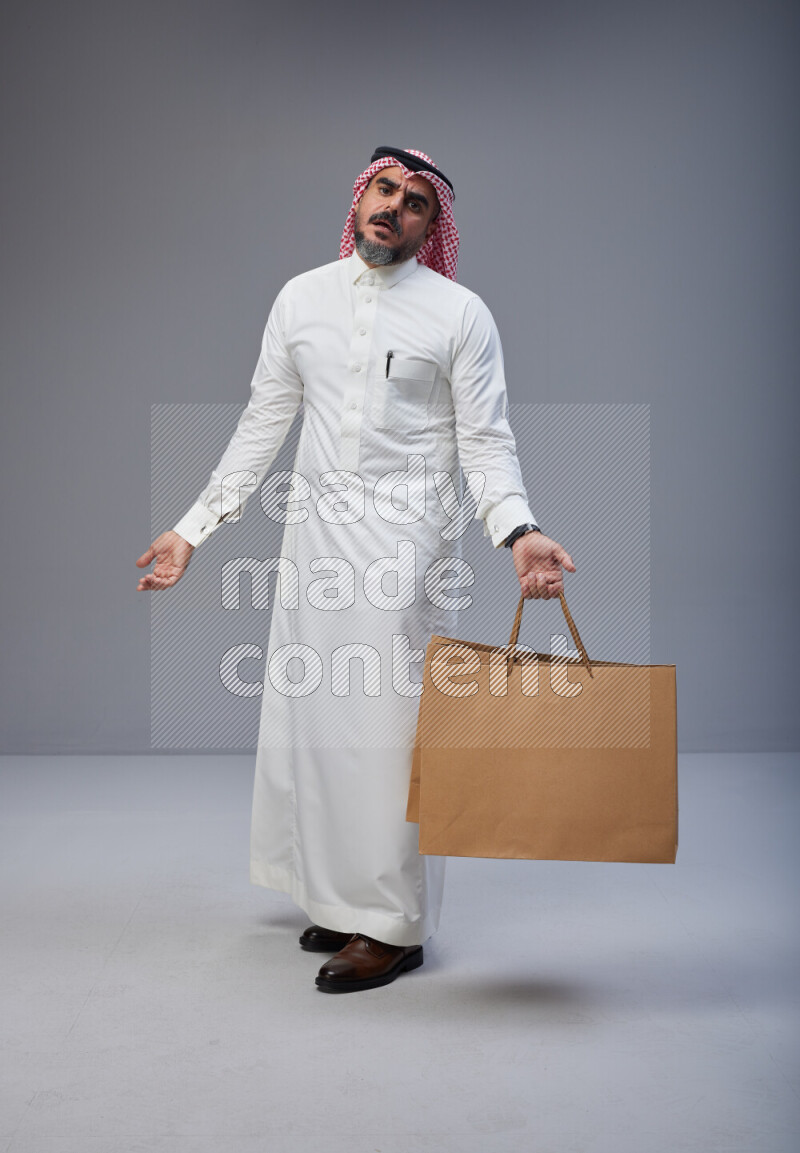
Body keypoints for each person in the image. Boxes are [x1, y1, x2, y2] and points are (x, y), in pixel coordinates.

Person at [136, 147, 575, 994]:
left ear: (431, 223)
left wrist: (517, 528)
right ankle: (342, 900)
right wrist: (193, 529)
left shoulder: (459, 313)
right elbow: (264, 423)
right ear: (361, 196)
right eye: (384, 190)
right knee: (315, 722)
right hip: (312, 539)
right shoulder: (302, 298)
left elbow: (485, 441)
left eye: (415, 202)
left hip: (405, 543)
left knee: (387, 732)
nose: (394, 208)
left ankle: (394, 926)